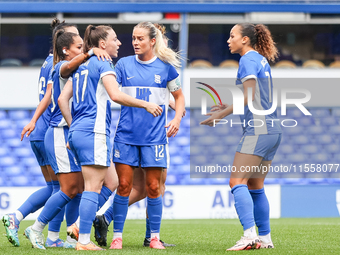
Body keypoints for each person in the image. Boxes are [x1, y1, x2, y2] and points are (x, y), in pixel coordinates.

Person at [58, 24, 162, 251]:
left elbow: (63, 99)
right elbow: (115, 95)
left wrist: (73, 127)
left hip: (78, 131)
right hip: (94, 131)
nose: (120, 43)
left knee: (111, 182)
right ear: (103, 44)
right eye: (115, 39)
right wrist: (146, 104)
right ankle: (83, 240)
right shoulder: (103, 62)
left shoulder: (82, 63)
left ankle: (79, 229)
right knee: (92, 188)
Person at [93, 23, 182, 248]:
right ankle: (117, 237)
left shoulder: (166, 67)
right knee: (124, 186)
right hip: (126, 136)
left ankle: (153, 237)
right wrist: (93, 51)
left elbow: (179, 97)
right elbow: (114, 92)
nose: (135, 42)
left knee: (153, 187)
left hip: (155, 139)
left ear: (153, 41)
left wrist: (177, 119)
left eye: (140, 38)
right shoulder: (122, 65)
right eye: (133, 38)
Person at [24, 29, 111, 250]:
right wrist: (91, 52)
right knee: (69, 189)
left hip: (71, 133)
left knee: (95, 185)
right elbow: (63, 95)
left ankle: (73, 231)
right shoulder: (60, 67)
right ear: (65, 51)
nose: (82, 50)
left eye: (83, 46)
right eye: (78, 47)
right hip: (59, 132)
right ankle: (36, 229)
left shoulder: (82, 69)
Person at [201, 23, 281, 251]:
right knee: (256, 186)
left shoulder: (247, 59)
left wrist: (222, 115)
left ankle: (249, 236)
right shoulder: (260, 59)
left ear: (245, 39)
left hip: (258, 128)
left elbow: (249, 95)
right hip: (273, 129)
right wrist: (229, 106)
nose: (228, 40)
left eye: (232, 35)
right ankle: (264, 238)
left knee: (236, 182)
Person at [1, 18, 80, 249]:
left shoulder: (48, 63)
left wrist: (33, 120)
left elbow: (47, 94)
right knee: (66, 189)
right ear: (63, 42)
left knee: (57, 188)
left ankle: (28, 222)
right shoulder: (63, 66)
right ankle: (29, 222)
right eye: (75, 38)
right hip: (51, 131)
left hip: (40, 131)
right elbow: (53, 97)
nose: (80, 42)